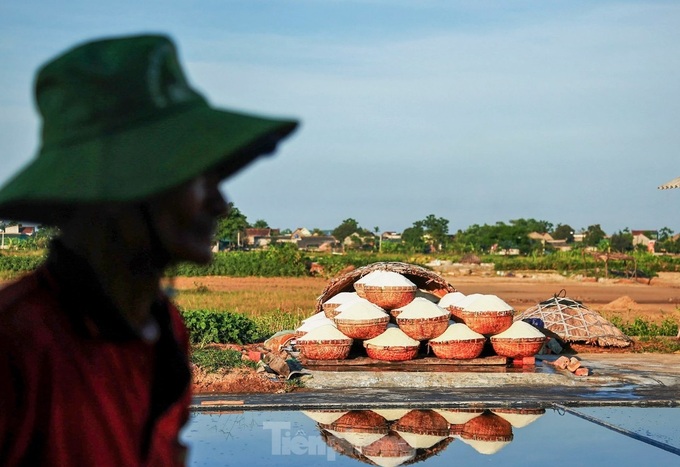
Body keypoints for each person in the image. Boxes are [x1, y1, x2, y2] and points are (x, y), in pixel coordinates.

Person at [0, 34, 298, 466]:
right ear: (120, 192)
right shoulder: (17, 346)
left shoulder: (164, 330)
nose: (219, 203)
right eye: (197, 178)